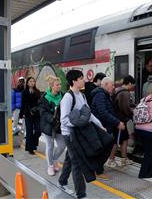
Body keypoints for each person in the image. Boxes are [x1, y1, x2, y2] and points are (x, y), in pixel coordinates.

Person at [58, 70, 105, 199]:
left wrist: (100, 125)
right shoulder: (68, 97)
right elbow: (64, 120)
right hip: (69, 134)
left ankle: (62, 181)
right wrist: (79, 123)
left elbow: (88, 114)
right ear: (74, 81)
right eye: (81, 78)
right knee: (77, 162)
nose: (83, 80)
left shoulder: (82, 96)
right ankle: (81, 194)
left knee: (70, 158)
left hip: (78, 133)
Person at [91, 77, 125, 168]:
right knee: (103, 149)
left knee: (105, 148)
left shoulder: (104, 95)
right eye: (112, 85)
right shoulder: (100, 95)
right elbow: (103, 112)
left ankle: (98, 169)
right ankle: (97, 169)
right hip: (102, 127)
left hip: (105, 127)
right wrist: (117, 123)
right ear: (105, 85)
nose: (114, 87)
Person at [39, 75, 66, 176]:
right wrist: (52, 119)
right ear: (52, 86)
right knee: (50, 146)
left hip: (59, 126)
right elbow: (43, 112)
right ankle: (50, 166)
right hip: (48, 126)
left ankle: (54, 160)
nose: (60, 86)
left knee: (62, 145)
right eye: (57, 85)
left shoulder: (62, 95)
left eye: (60, 84)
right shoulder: (45, 97)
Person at [111, 75, 135, 166]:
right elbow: (126, 108)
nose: (132, 87)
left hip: (119, 120)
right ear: (129, 83)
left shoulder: (117, 90)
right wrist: (132, 116)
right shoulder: (125, 93)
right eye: (132, 85)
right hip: (120, 121)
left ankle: (124, 159)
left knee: (124, 139)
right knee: (116, 141)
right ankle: (111, 159)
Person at [19, 77, 41, 155]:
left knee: (38, 131)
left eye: (33, 81)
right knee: (29, 131)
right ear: (27, 83)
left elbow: (40, 103)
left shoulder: (38, 92)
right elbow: (23, 104)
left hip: (36, 114)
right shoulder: (24, 92)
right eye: (30, 81)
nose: (32, 83)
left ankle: (33, 143)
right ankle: (30, 148)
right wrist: (21, 114)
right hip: (28, 114)